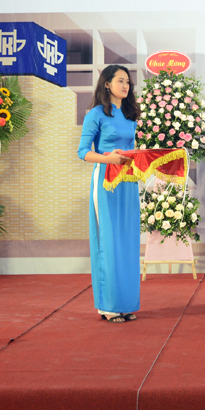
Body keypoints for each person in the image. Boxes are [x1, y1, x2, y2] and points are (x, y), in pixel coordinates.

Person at [77, 65, 140, 323]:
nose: (126, 86)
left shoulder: (130, 114)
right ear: (107, 83)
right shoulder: (96, 114)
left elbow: (130, 147)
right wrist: (107, 159)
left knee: (127, 241)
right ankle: (108, 306)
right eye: (120, 81)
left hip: (128, 181)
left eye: (128, 82)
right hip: (105, 181)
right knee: (108, 240)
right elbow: (83, 152)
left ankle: (125, 304)